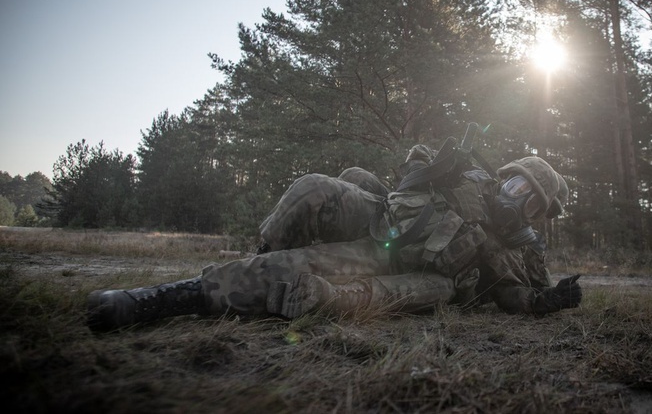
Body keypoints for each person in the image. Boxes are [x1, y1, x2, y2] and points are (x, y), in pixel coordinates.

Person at [87, 125, 582, 332]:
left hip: (385, 259)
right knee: (313, 187)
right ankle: (258, 254)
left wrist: (549, 298)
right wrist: (428, 168)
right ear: (507, 174)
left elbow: (521, 295)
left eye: (531, 202)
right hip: (382, 217)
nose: (517, 198)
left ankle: (155, 301)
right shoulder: (467, 174)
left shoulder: (508, 247)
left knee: (291, 269)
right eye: (517, 184)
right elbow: (410, 176)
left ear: (538, 214)